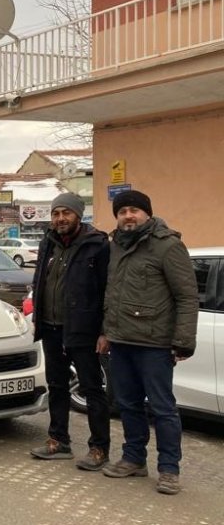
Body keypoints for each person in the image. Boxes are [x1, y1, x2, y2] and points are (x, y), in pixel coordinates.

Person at [100, 190, 198, 495]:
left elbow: (186, 296)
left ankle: (169, 469)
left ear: (147, 213)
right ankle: (133, 459)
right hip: (121, 341)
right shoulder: (114, 246)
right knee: (127, 404)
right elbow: (110, 295)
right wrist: (105, 332)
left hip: (155, 344)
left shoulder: (168, 246)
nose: (128, 216)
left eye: (134, 210)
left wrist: (182, 342)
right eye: (122, 211)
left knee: (162, 408)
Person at [28, 193, 111, 471]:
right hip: (51, 328)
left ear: (79, 215)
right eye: (56, 213)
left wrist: (103, 331)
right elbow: (40, 281)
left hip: (83, 330)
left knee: (91, 389)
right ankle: (58, 441)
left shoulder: (97, 246)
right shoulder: (47, 243)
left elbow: (107, 292)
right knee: (57, 386)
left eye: (66, 213)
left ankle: (99, 448)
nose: (60, 218)